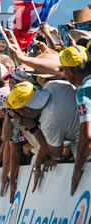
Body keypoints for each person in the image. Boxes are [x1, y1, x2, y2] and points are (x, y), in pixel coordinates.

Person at [5, 80, 79, 190]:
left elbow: (55, 153)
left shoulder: (49, 122)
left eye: (18, 112)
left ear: (27, 110)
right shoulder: (51, 85)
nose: (17, 116)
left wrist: (33, 128)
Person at [58, 44, 91, 195]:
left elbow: (87, 136)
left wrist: (76, 173)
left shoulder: (84, 90)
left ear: (71, 71)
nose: (62, 73)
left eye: (63, 69)